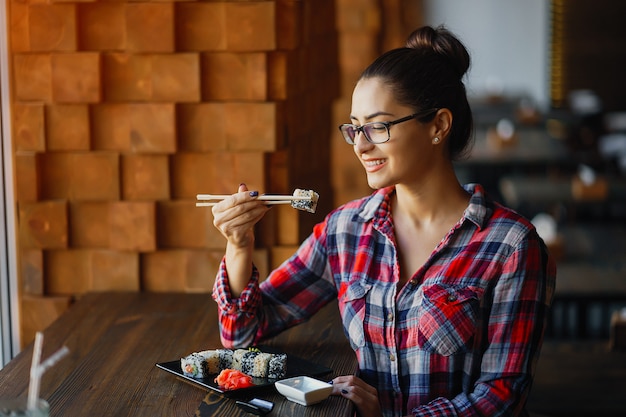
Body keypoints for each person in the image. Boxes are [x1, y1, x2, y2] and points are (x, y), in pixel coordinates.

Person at [211, 25, 556, 417]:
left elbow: (502, 397)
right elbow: (241, 335)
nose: (360, 144)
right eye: (355, 127)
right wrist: (238, 244)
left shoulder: (510, 246)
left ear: (439, 126)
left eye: (378, 126)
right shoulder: (346, 230)